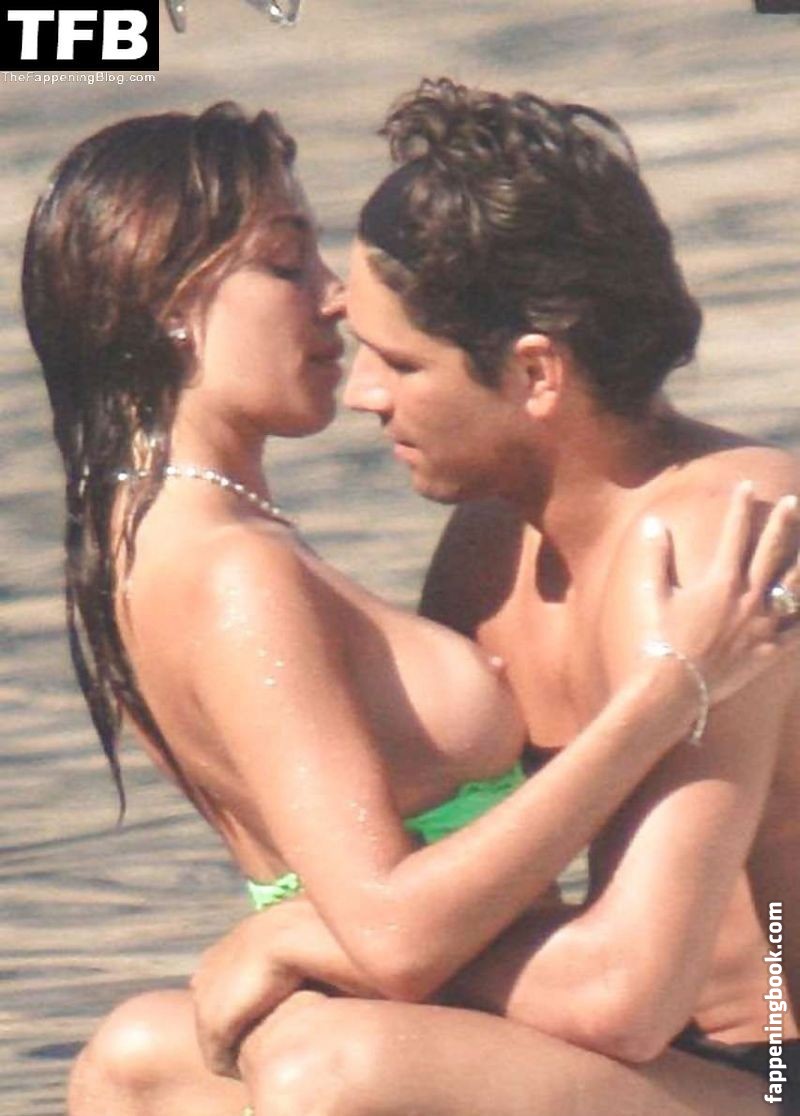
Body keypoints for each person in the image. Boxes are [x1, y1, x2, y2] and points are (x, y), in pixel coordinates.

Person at [22, 96, 797, 1116]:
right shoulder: (486, 548)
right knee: (136, 1062)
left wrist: (302, 931)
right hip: (627, 1040)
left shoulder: (723, 538)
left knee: (334, 1070)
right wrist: (350, 932)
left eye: (400, 363)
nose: (364, 395)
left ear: (534, 372)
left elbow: (618, 998)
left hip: (767, 1065)